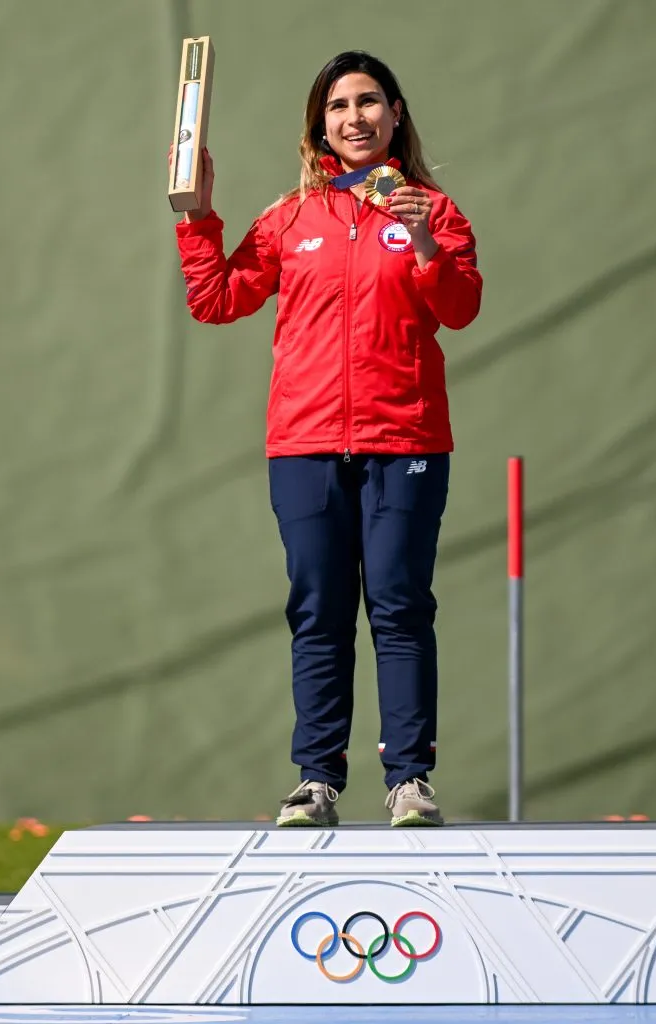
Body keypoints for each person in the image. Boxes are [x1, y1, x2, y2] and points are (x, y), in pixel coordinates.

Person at [170, 50, 482, 827]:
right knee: (318, 610)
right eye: (339, 107)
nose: (356, 118)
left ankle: (409, 782)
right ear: (321, 127)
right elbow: (215, 299)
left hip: (404, 438)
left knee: (400, 607)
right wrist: (196, 215)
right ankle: (316, 780)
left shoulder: (433, 212)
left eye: (370, 102)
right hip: (305, 445)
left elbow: (460, 308)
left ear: (395, 114)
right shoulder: (290, 218)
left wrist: (421, 242)